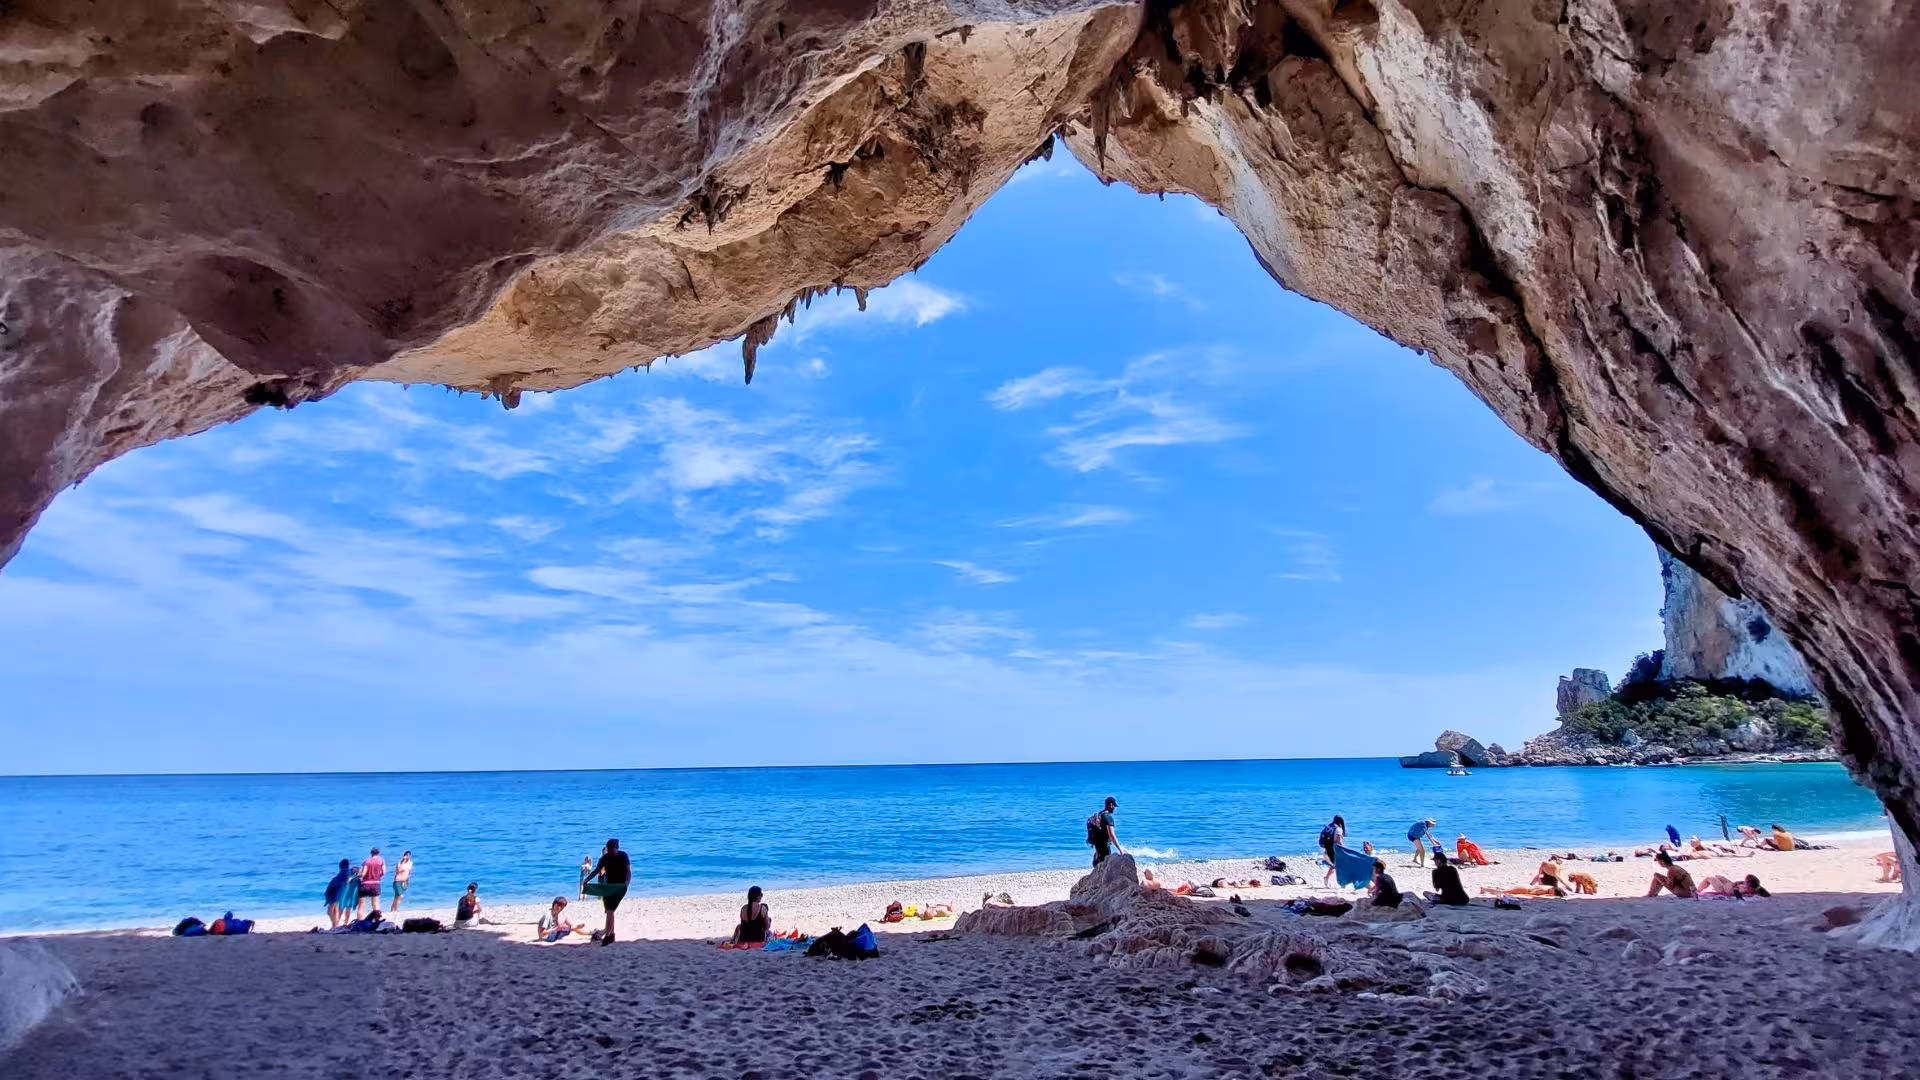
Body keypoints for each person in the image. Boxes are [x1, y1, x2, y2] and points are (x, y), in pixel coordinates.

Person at [586, 838, 631, 946]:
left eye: (612, 849)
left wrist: (626, 883)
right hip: (608, 887)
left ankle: (607, 935)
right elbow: (597, 870)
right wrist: (587, 880)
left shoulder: (623, 856)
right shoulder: (604, 858)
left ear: (616, 848)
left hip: (620, 886)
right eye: (609, 849)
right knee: (609, 911)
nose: (610, 851)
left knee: (610, 910)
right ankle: (611, 935)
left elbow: (628, 871)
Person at [1086, 798, 1121, 867]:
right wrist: (1120, 849)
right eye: (1114, 806)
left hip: (1098, 849)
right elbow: (1112, 835)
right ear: (1111, 805)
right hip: (1105, 848)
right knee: (1105, 868)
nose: (1114, 808)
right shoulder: (1108, 817)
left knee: (1099, 868)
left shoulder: (1099, 814)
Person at [356, 848, 386, 918]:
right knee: (376, 904)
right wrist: (377, 876)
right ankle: (377, 921)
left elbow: (363, 874)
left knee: (361, 905)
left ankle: (359, 922)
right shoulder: (381, 861)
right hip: (375, 884)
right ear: (378, 853)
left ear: (371, 853)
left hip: (365, 884)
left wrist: (357, 875)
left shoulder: (367, 861)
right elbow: (383, 872)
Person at [324, 859, 354, 928]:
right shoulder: (347, 872)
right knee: (336, 910)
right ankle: (335, 925)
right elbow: (349, 878)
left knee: (330, 911)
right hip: (338, 893)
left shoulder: (344, 872)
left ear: (340, 866)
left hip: (335, 893)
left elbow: (345, 879)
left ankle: (334, 925)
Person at [1319, 815, 1346, 887]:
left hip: (1326, 852)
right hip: (1334, 851)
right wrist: (1344, 851)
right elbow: (1339, 842)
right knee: (1340, 866)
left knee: (1335, 866)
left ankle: (1327, 878)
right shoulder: (1338, 829)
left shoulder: (1327, 827)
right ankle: (1341, 882)